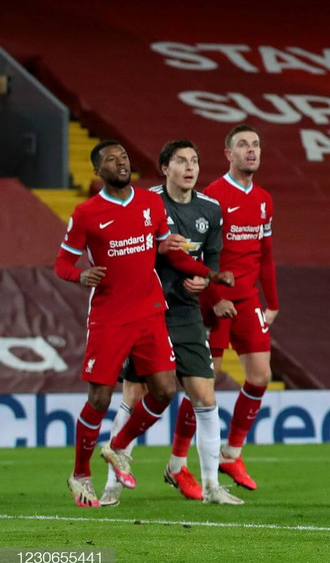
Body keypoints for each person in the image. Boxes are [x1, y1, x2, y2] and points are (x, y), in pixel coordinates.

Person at [55, 141, 231, 507]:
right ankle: (80, 474)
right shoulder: (87, 214)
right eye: (110, 159)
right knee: (100, 399)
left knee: (165, 390)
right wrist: (81, 275)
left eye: (123, 157)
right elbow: (61, 264)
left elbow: (168, 251)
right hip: (109, 317)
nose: (120, 162)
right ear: (97, 171)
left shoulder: (151, 204)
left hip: (150, 310)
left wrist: (209, 274)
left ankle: (117, 447)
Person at [101, 140, 243, 506]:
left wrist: (206, 282)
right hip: (148, 310)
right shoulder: (145, 204)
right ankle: (112, 485)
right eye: (181, 161)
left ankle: (212, 487)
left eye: (194, 160)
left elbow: (211, 262)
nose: (189, 167)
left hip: (185, 313)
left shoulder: (210, 210)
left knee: (205, 397)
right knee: (134, 395)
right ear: (164, 168)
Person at [201, 124, 278, 491]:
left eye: (256, 145)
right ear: (228, 153)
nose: (252, 150)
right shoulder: (212, 197)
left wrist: (273, 301)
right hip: (216, 297)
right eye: (243, 145)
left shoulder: (264, 199)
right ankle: (179, 460)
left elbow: (265, 254)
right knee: (206, 381)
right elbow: (201, 255)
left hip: (250, 299)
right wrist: (216, 298)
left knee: (261, 375)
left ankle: (231, 454)